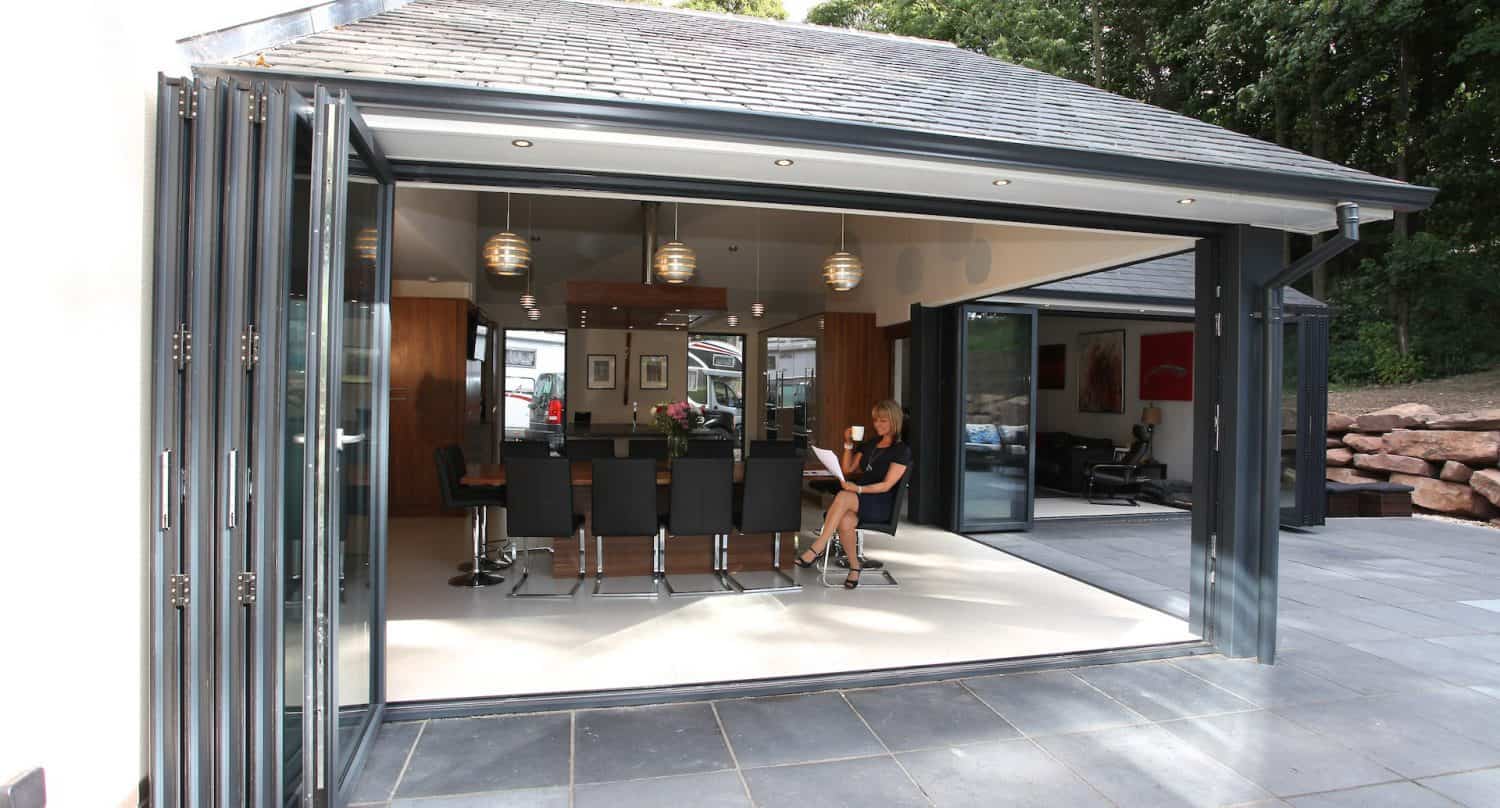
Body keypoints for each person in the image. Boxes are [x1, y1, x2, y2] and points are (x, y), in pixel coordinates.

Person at [795, 399, 910, 588]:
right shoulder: (872, 444)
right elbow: (848, 469)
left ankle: (818, 547)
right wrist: (848, 444)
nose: (877, 424)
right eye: (876, 420)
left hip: (880, 503)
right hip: (860, 498)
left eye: (883, 420)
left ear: (894, 421)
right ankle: (855, 567)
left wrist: (858, 489)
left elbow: (886, 486)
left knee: (843, 496)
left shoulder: (901, 451)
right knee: (845, 520)